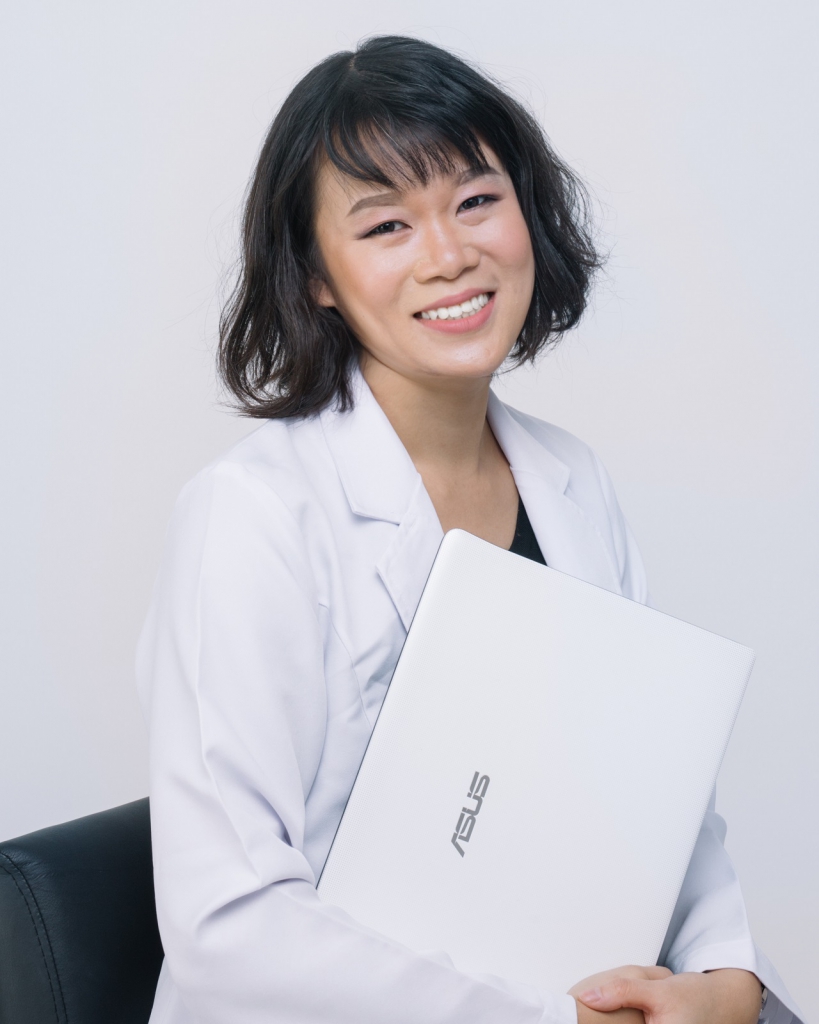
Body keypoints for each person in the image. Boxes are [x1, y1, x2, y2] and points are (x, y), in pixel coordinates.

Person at [137, 35, 803, 1024]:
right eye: (385, 225)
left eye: (476, 201)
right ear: (315, 274)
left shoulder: (571, 479)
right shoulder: (255, 516)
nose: (449, 254)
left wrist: (725, 979)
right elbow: (228, 924)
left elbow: (658, 788)